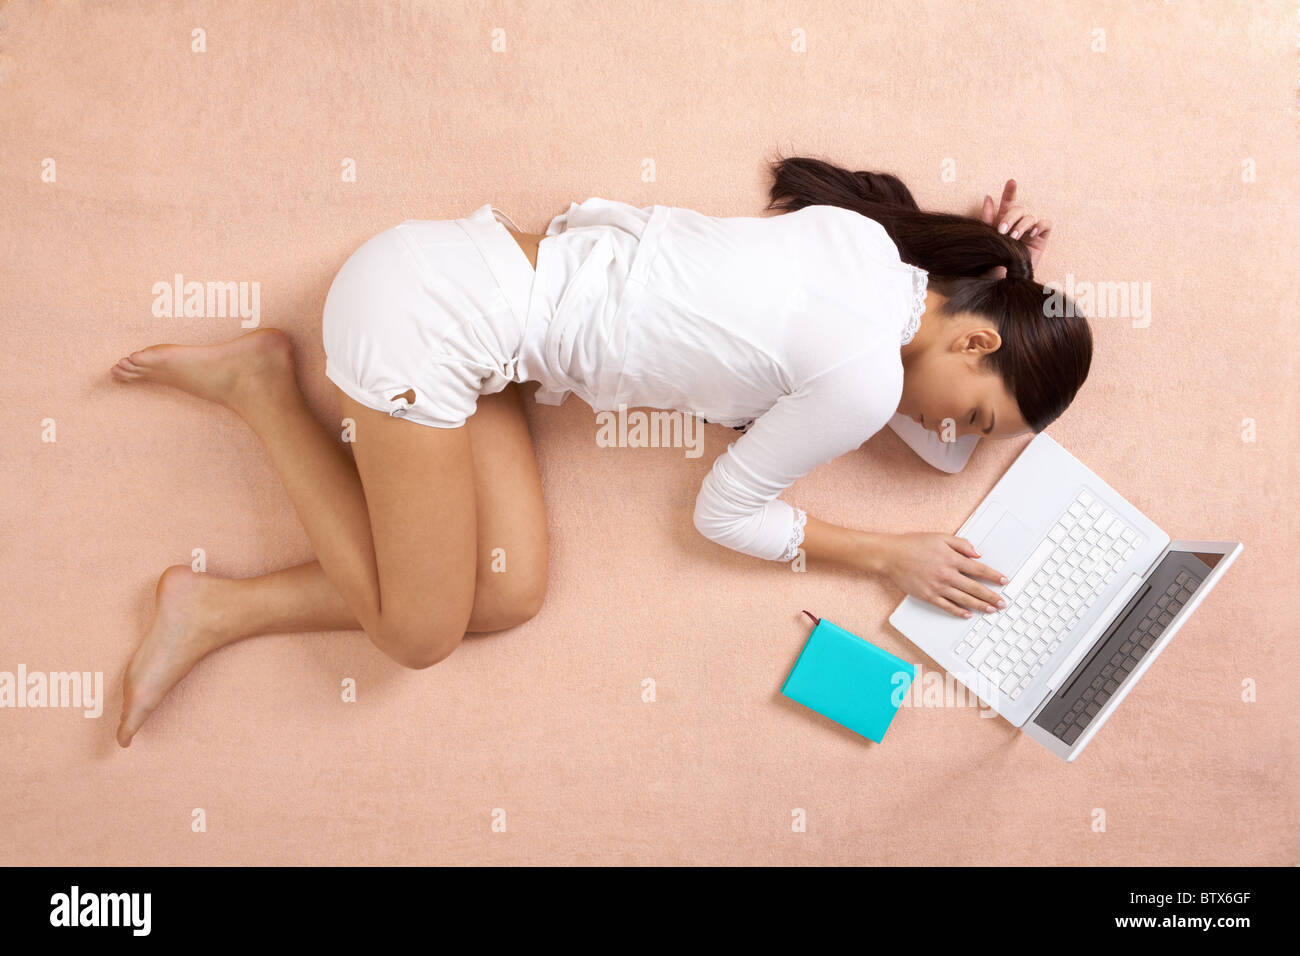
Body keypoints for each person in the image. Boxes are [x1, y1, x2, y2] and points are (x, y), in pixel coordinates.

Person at [108, 154, 1089, 746]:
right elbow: (723, 515)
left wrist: (992, 271)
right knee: (417, 635)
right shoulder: (868, 379)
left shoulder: (870, 249)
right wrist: (888, 552)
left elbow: (922, 417)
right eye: (974, 416)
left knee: (506, 591)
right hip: (428, 327)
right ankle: (262, 390)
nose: (949, 439)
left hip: (468, 294)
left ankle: (219, 604)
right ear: (972, 339)